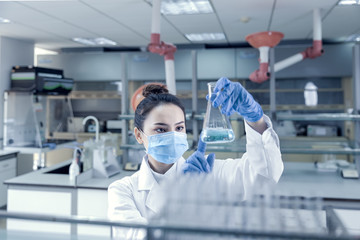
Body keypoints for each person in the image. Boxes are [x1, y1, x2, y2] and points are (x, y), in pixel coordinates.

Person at [108, 77, 283, 239]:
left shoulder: (208, 170)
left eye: (179, 128)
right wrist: (181, 195)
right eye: (160, 130)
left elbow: (264, 177)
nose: (173, 135)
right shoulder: (123, 190)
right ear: (139, 135)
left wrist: (255, 119)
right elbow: (141, 236)